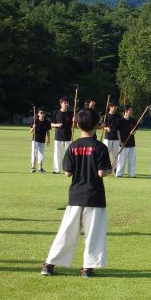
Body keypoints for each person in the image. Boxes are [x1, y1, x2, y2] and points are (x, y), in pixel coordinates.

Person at [40, 108, 112, 278]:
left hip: (76, 195)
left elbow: (67, 173)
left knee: (66, 231)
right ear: (97, 125)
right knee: (93, 233)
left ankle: (49, 264)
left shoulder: (73, 146)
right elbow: (102, 173)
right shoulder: (100, 147)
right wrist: (109, 169)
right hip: (95, 196)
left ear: (78, 124)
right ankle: (87, 268)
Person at [51, 96, 74, 174]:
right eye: (65, 103)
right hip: (58, 137)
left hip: (68, 137)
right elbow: (51, 124)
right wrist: (57, 125)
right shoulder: (56, 112)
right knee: (57, 154)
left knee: (69, 154)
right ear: (61, 103)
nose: (66, 104)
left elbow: (75, 125)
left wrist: (75, 120)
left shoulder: (71, 113)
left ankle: (69, 169)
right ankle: (56, 169)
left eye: (67, 103)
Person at [116, 106, 137, 178]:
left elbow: (135, 130)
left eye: (132, 110)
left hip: (132, 143)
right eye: (130, 110)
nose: (131, 111)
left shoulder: (133, 120)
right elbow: (118, 131)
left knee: (132, 160)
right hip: (123, 143)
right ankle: (119, 174)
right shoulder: (120, 120)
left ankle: (132, 174)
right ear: (126, 111)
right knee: (121, 160)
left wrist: (133, 132)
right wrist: (120, 141)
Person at [30, 107, 51, 173]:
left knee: (41, 154)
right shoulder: (35, 121)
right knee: (34, 153)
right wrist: (33, 128)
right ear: (38, 114)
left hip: (42, 140)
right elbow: (30, 131)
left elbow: (48, 131)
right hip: (35, 140)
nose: (42, 114)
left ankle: (40, 168)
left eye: (43, 113)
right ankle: (33, 167)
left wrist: (48, 139)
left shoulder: (47, 121)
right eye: (41, 113)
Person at [102, 101, 121, 171]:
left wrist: (120, 140)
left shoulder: (118, 116)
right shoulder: (106, 116)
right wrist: (106, 128)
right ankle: (106, 167)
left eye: (116, 106)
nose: (115, 108)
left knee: (116, 154)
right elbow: (102, 126)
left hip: (116, 138)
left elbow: (119, 128)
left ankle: (115, 168)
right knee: (106, 153)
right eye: (114, 106)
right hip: (107, 138)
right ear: (110, 107)